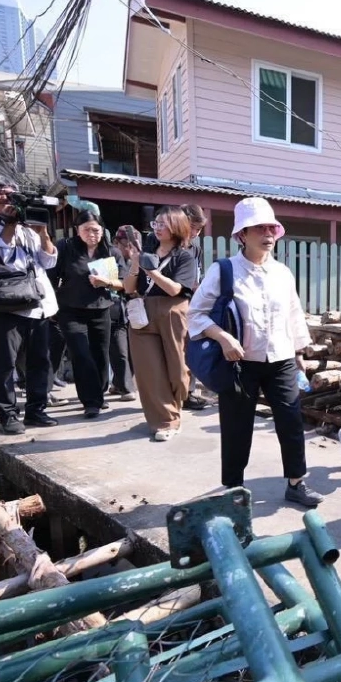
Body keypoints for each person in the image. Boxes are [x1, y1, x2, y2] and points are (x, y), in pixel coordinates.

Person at [188, 197, 324, 507]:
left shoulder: (282, 273)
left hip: (281, 360)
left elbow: (293, 313)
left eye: (271, 227)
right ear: (241, 235)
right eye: (258, 228)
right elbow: (196, 314)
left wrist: (300, 355)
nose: (267, 234)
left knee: (291, 421)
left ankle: (296, 483)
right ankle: (234, 488)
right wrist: (222, 337)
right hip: (240, 362)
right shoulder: (224, 271)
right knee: (237, 426)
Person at [0, 175, 60, 434]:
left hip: (38, 302)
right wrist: (9, 224)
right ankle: (7, 414)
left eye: (9, 192)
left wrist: (42, 233)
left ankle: (36, 410)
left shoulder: (27, 224)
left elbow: (48, 262)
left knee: (40, 361)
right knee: (4, 364)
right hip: (6, 305)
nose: (5, 196)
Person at [124, 206, 199, 441]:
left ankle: (174, 407)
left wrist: (153, 271)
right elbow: (128, 288)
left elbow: (176, 289)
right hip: (143, 311)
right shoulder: (146, 251)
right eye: (156, 223)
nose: (158, 228)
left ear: (176, 227)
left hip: (172, 311)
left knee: (177, 370)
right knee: (149, 370)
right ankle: (165, 420)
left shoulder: (184, 255)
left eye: (163, 224)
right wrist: (136, 264)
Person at [49, 212, 118, 419]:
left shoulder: (109, 251)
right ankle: (90, 402)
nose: (92, 234)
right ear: (77, 230)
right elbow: (51, 277)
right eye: (86, 229)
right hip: (70, 309)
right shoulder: (65, 248)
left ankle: (99, 393)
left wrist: (105, 282)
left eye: (96, 230)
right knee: (81, 354)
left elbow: (121, 283)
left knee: (100, 354)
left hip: (100, 309)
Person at [181, 203, 212, 412]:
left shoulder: (196, 249)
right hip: (169, 305)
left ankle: (189, 393)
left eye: (199, 229)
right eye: (192, 227)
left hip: (191, 304)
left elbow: (197, 276)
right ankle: (173, 393)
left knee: (190, 348)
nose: (194, 233)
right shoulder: (164, 243)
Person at [107, 225, 140, 400]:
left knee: (132, 350)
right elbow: (112, 283)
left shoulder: (139, 259)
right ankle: (126, 387)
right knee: (120, 350)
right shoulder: (111, 255)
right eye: (126, 244)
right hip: (116, 308)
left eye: (133, 244)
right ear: (116, 242)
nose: (129, 248)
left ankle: (119, 383)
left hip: (135, 311)